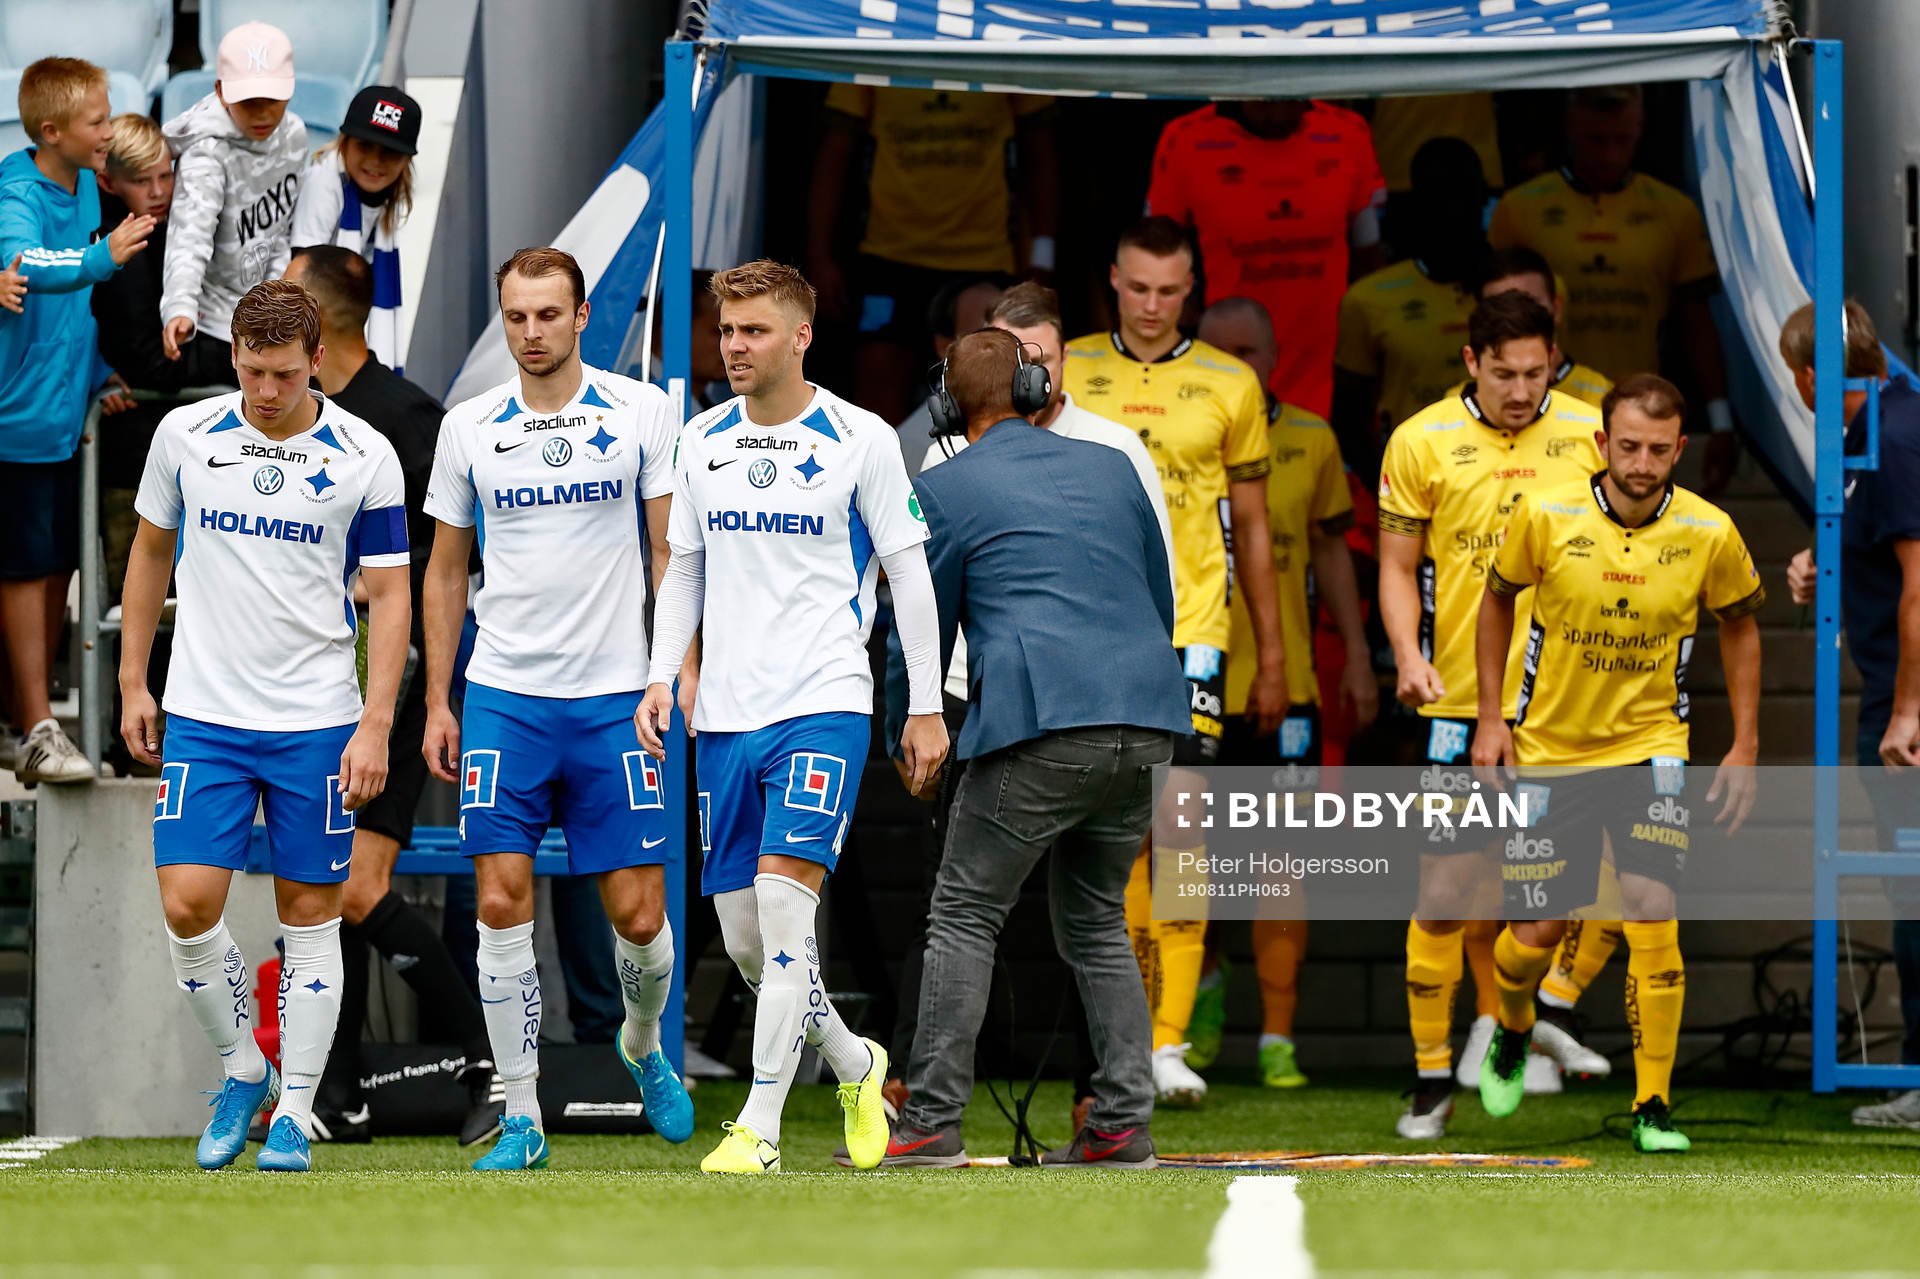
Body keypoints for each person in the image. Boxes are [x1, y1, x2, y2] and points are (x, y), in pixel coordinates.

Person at [635, 260, 938, 1175]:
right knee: (745, 938)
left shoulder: (862, 437)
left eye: (755, 330)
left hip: (826, 699)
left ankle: (760, 1126)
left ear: (801, 335)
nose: (735, 346)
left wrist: (923, 700)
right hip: (724, 712)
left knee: (783, 904)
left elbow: (910, 572)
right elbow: (682, 568)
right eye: (728, 330)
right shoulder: (699, 441)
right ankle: (854, 1061)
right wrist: (661, 677)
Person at [876, 327, 1188, 1169]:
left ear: (947, 401)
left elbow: (921, 626)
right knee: (1096, 921)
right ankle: (1122, 1122)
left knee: (963, 914)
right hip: (1149, 717)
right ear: (1031, 385)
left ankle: (932, 1121)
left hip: (1042, 722)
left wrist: (911, 723)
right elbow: (1159, 595)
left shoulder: (943, 484)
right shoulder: (1114, 466)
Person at [118, 279, 410, 1172]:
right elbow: (149, 552)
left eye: (284, 373)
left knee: (312, 916)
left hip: (316, 722)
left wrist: (376, 722)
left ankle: (293, 1110)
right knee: (187, 904)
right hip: (204, 714)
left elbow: (393, 594)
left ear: (317, 358)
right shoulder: (187, 436)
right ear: (235, 357)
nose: (267, 390)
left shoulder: (367, 452)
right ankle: (243, 1064)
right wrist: (134, 679)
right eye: (251, 371)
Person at [419, 247, 694, 1171]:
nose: (531, 332)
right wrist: (439, 699)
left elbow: (670, 554)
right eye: (516, 316)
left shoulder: (642, 411)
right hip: (503, 696)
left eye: (548, 314)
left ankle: (643, 1044)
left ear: (582, 317)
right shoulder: (468, 428)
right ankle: (524, 1114)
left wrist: (672, 668)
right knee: (499, 899)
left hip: (618, 696)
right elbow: (446, 569)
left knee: (641, 917)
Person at [1471, 373, 1763, 1153]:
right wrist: (1492, 719)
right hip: (1550, 748)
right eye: (1627, 446)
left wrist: (1745, 743)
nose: (1641, 462)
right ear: (1601, 443)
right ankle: (1512, 1023)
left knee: (1650, 903)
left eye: (1658, 450)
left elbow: (1740, 625)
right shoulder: (1547, 514)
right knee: (1536, 930)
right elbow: (1495, 599)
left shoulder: (1708, 531)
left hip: (1651, 746)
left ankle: (1653, 1105)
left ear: (1681, 449)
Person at [1065, 216, 1289, 1109]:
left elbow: (1258, 531)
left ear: (1191, 288)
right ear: (1111, 280)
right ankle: (1121, 1035)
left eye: (1171, 290)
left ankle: (1165, 1041)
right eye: (1138, 287)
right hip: (1089, 632)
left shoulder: (1230, 384)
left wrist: (1270, 657)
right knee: (1108, 846)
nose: (1153, 306)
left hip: (1192, 634)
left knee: (1184, 837)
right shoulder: (1069, 366)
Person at [281, 245, 501, 1146]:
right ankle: (337, 1097)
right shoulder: (298, 413)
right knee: (325, 888)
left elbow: (456, 556)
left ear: (319, 320)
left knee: (358, 885)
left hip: (394, 684)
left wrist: (418, 687)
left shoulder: (407, 420)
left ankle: (487, 1058)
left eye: (284, 296)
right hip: (317, 684)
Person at [1375, 291, 1606, 1140]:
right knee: (1444, 889)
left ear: (1556, 363)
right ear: (1470, 363)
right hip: (1459, 705)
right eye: (1503, 373)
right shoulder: (1421, 439)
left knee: (1544, 900)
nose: (1520, 390)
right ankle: (1431, 1076)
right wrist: (1407, 652)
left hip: (1560, 706)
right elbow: (1398, 565)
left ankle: (1514, 1022)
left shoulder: (1590, 431)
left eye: (1536, 373)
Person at [1187, 295, 1378, 1089]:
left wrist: (1359, 656)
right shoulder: (1179, 436)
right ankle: (1190, 1005)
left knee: (1278, 866)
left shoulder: (1310, 437)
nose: (1238, 366)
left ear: (1273, 356)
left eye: (1250, 352)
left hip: (1287, 689)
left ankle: (1276, 1037)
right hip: (1189, 685)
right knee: (1186, 865)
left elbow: (1333, 553)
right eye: (1220, 351)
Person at [1780, 301, 1920, 1130]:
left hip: (1907, 706)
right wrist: (1816, 565)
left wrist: (1909, 710)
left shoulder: (1896, 436)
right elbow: (1872, 553)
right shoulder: (1868, 436)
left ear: (1807, 375)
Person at [0, 57, 153, 784]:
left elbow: (72, 314)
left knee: (54, 568)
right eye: (97, 121)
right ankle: (36, 726)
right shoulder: (17, 188)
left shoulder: (89, 184)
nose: (107, 132)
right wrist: (102, 255)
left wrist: (96, 375)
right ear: (53, 130)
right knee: (24, 573)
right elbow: (27, 265)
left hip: (62, 418)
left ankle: (23, 719)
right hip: (17, 421)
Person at [1488, 85, 1738, 495]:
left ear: (1640, 129)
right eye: (1596, 140)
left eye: (1621, 141)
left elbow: (1696, 320)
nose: (1608, 155)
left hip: (1639, 413)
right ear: (1571, 128)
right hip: (1543, 408)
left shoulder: (1674, 211)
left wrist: (1721, 420)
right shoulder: (1520, 210)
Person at [808, 88, 1056, 426]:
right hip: (888, 258)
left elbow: (1040, 150)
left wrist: (1043, 255)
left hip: (982, 258)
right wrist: (821, 257)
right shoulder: (878, 39)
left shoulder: (1006, 39)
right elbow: (834, 155)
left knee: (987, 398)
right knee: (877, 410)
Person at [1148, 99, 1386, 418]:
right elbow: (1155, 256)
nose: (1277, 113)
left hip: (1328, 370)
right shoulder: (1186, 138)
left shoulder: (1347, 132)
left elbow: (1369, 259)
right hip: (1226, 367)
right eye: (1263, 102)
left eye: (1288, 100)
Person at [1333, 136, 1491, 480]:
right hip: (1415, 483)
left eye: (1464, 196)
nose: (1454, 210)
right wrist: (1392, 489)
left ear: (1483, 201)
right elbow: (1349, 418)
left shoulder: (1517, 289)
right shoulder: (1369, 300)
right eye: (1441, 198)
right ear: (1418, 205)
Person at [160, 22, 308, 373]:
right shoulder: (205, 153)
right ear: (221, 91)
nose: (261, 112)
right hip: (213, 325)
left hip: (272, 316)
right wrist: (180, 308)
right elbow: (189, 237)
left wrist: (278, 299)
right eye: (248, 100)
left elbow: (281, 229)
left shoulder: (295, 135)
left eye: (271, 99)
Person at [291, 86, 422, 373]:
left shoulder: (388, 199)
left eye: (389, 152)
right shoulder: (323, 185)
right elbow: (300, 282)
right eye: (365, 146)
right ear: (345, 142)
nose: (375, 161)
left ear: (406, 160)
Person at [1447, 247, 1613, 411]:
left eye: (1530, 304)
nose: (1518, 317)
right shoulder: (1456, 405)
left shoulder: (1601, 397)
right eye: (1500, 307)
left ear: (1556, 308)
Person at [896, 277, 1004, 480]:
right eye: (983, 339)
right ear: (945, 347)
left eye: (1008, 336)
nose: (1000, 349)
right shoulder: (911, 444)